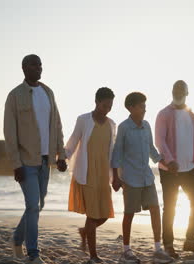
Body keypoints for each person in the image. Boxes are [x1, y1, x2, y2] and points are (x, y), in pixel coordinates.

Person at [3, 54, 67, 264]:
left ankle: (17, 238)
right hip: (26, 161)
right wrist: (16, 163)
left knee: (37, 205)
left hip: (45, 160)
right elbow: (9, 132)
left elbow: (56, 125)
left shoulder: (48, 92)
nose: (38, 68)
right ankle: (33, 254)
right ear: (24, 68)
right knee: (32, 204)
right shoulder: (15, 96)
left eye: (40, 64)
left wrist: (61, 155)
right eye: (33, 64)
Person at [112, 92, 174, 264]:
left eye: (145, 105)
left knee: (155, 209)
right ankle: (126, 250)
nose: (144, 108)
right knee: (129, 214)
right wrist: (115, 177)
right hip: (130, 178)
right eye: (141, 106)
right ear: (131, 108)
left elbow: (151, 149)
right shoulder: (124, 127)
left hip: (147, 177)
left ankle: (157, 249)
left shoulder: (146, 125)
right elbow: (117, 153)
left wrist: (165, 163)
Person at [154, 80, 194, 258]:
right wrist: (169, 161)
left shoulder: (192, 116)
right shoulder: (163, 114)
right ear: (171, 91)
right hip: (169, 170)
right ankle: (168, 244)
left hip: (190, 169)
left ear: (187, 92)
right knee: (170, 207)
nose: (177, 91)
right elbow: (159, 140)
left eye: (181, 89)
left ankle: (190, 241)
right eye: (175, 88)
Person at [66, 87, 116, 264]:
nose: (107, 109)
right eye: (104, 105)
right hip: (87, 173)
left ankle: (85, 231)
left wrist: (117, 176)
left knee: (104, 214)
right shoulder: (83, 120)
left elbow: (113, 152)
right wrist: (62, 158)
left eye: (110, 106)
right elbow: (72, 141)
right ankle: (93, 256)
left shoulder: (111, 124)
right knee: (93, 215)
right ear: (96, 102)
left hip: (103, 174)